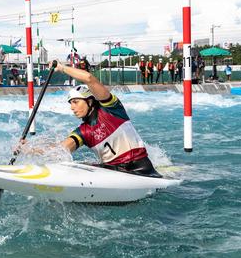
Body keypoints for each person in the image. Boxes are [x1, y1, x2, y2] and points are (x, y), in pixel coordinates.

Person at [19, 61, 161, 177]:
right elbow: (60, 149)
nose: (72, 108)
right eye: (70, 104)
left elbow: (89, 79)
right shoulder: (83, 131)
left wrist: (62, 68)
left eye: (76, 102)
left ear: (90, 101)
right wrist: (30, 149)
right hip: (112, 172)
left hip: (141, 170)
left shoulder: (111, 108)